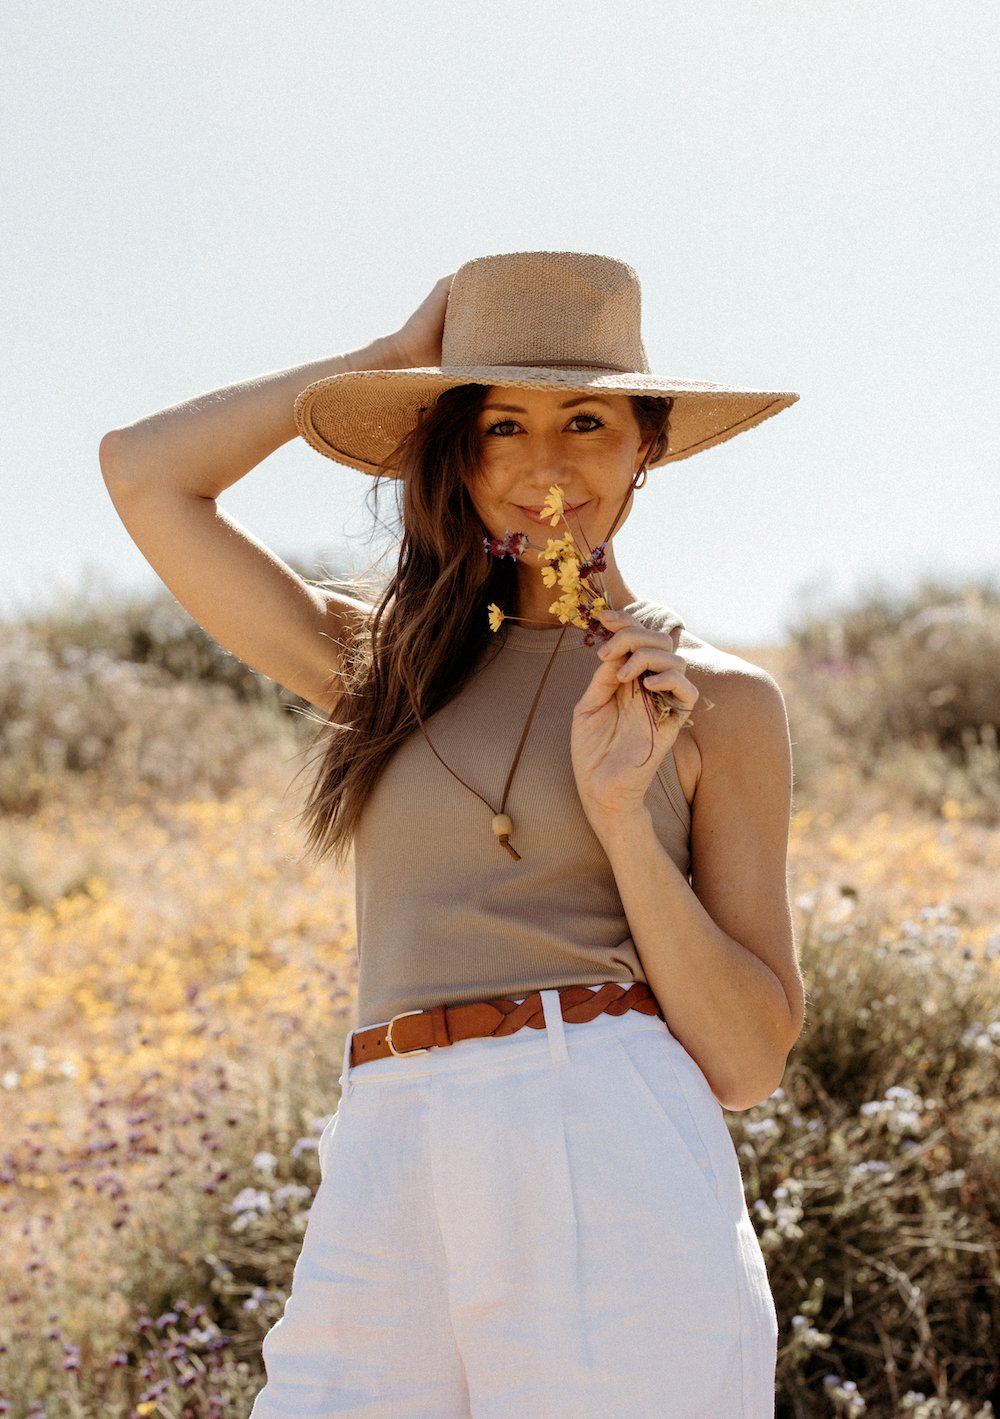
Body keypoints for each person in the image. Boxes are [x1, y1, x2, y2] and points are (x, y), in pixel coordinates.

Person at [100, 250, 806, 1418]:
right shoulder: (381, 665)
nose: (544, 468)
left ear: (649, 443)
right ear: (457, 451)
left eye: (585, 421)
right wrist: (377, 369)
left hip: (607, 1132)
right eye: (497, 426)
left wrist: (625, 819)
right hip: (390, 1135)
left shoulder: (719, 702)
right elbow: (144, 474)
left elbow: (745, 1058)